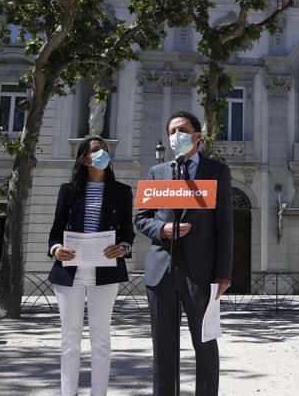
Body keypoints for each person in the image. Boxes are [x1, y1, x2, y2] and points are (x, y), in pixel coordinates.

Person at [135, 111, 233, 396]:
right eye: (172, 131)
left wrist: (223, 272)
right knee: (163, 346)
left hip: (201, 272)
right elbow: (141, 218)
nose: (176, 135)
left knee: (204, 342)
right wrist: (162, 228)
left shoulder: (216, 172)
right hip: (161, 270)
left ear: (197, 136)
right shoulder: (158, 172)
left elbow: (224, 225)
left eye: (182, 129)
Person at [47, 135, 135, 396]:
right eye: (97, 150)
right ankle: (68, 393)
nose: (102, 154)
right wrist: (55, 249)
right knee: (69, 339)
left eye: (105, 150)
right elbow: (55, 231)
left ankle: (99, 393)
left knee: (101, 337)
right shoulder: (68, 190)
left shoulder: (122, 191)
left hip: (105, 271)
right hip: (69, 271)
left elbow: (127, 233)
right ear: (85, 158)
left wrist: (124, 247)